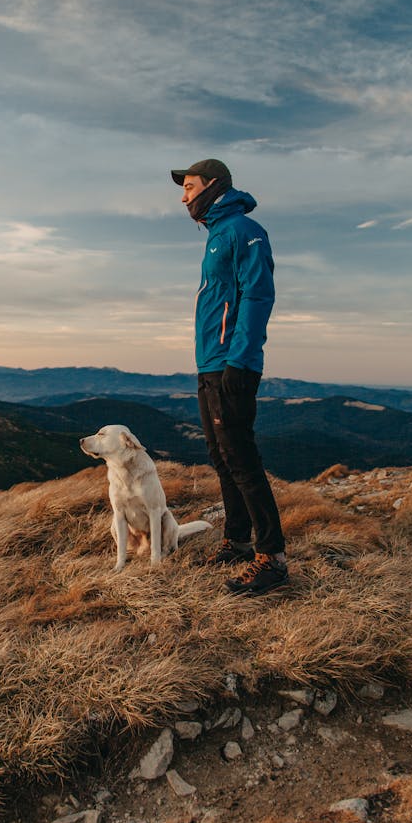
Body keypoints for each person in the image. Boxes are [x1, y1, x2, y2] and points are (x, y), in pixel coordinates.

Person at [171, 158, 288, 596]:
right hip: (211, 364)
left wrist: (240, 360)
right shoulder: (218, 234)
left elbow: (257, 295)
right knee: (221, 457)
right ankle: (237, 541)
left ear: (213, 186)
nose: (183, 196)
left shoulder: (243, 231)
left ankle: (271, 558)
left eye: (189, 186)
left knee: (241, 459)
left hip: (230, 364)